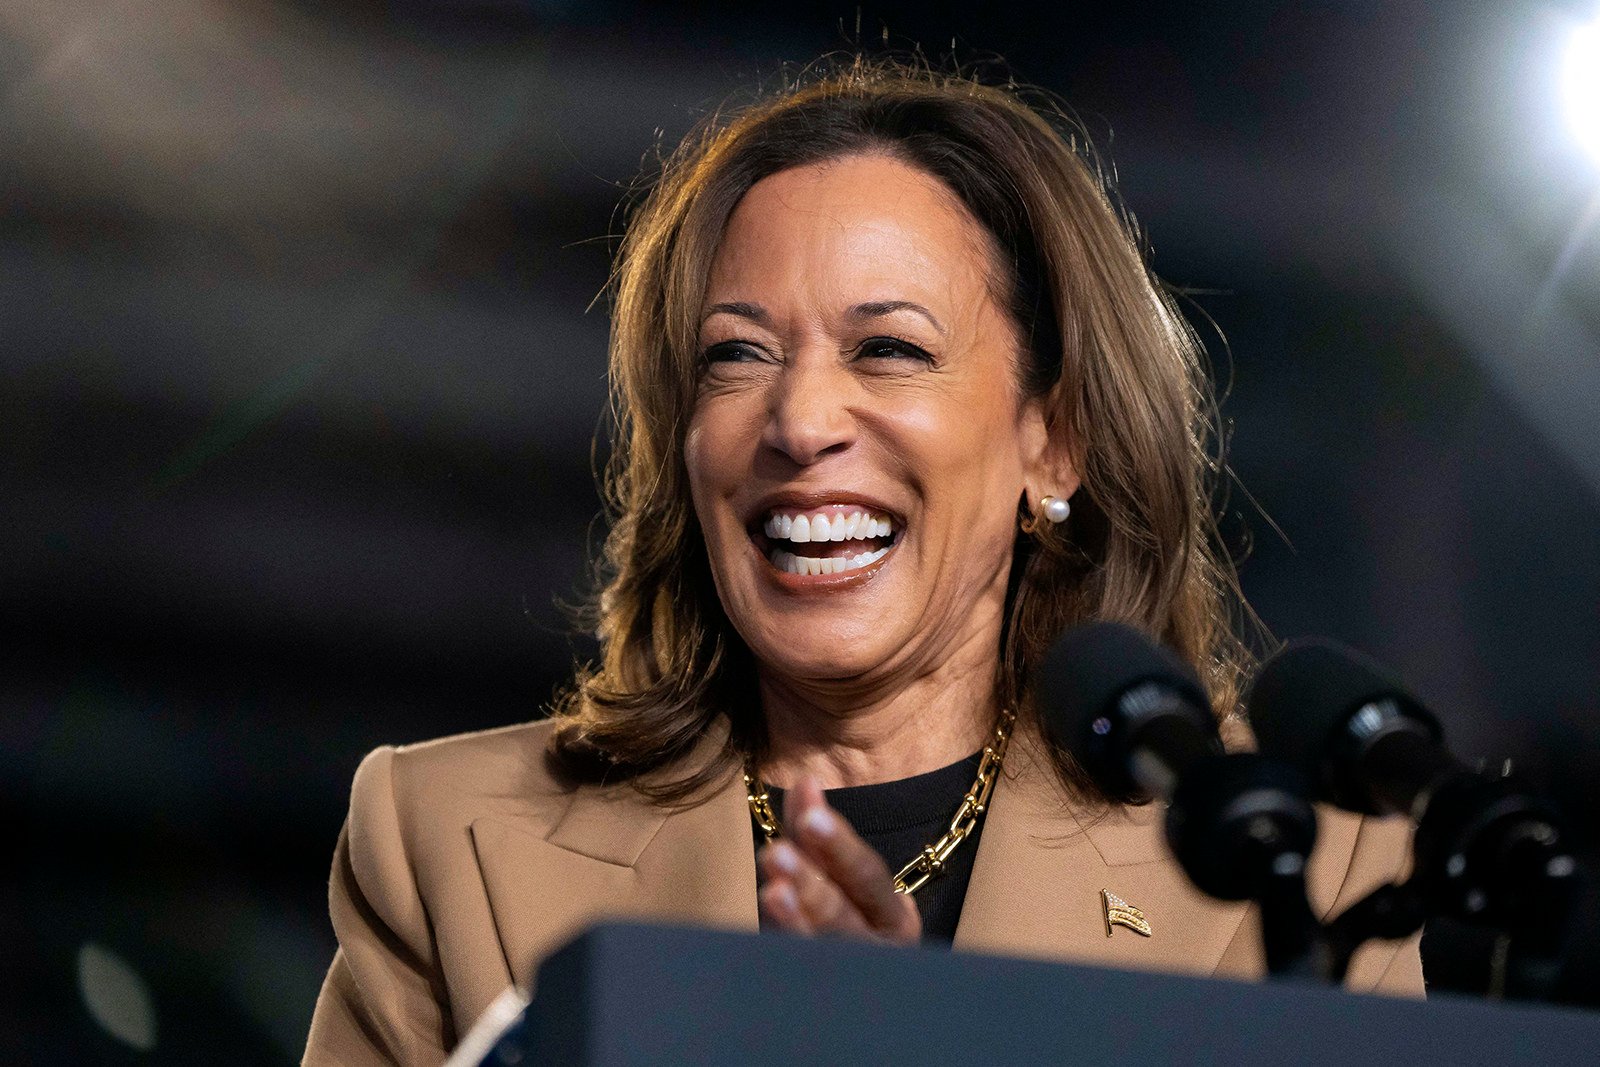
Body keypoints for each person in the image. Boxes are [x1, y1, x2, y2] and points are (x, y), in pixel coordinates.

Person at [303, 57, 1423, 1065]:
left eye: (888, 348)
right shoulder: (448, 843)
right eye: (735, 356)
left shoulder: (1307, 871)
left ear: (1056, 437)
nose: (798, 420)